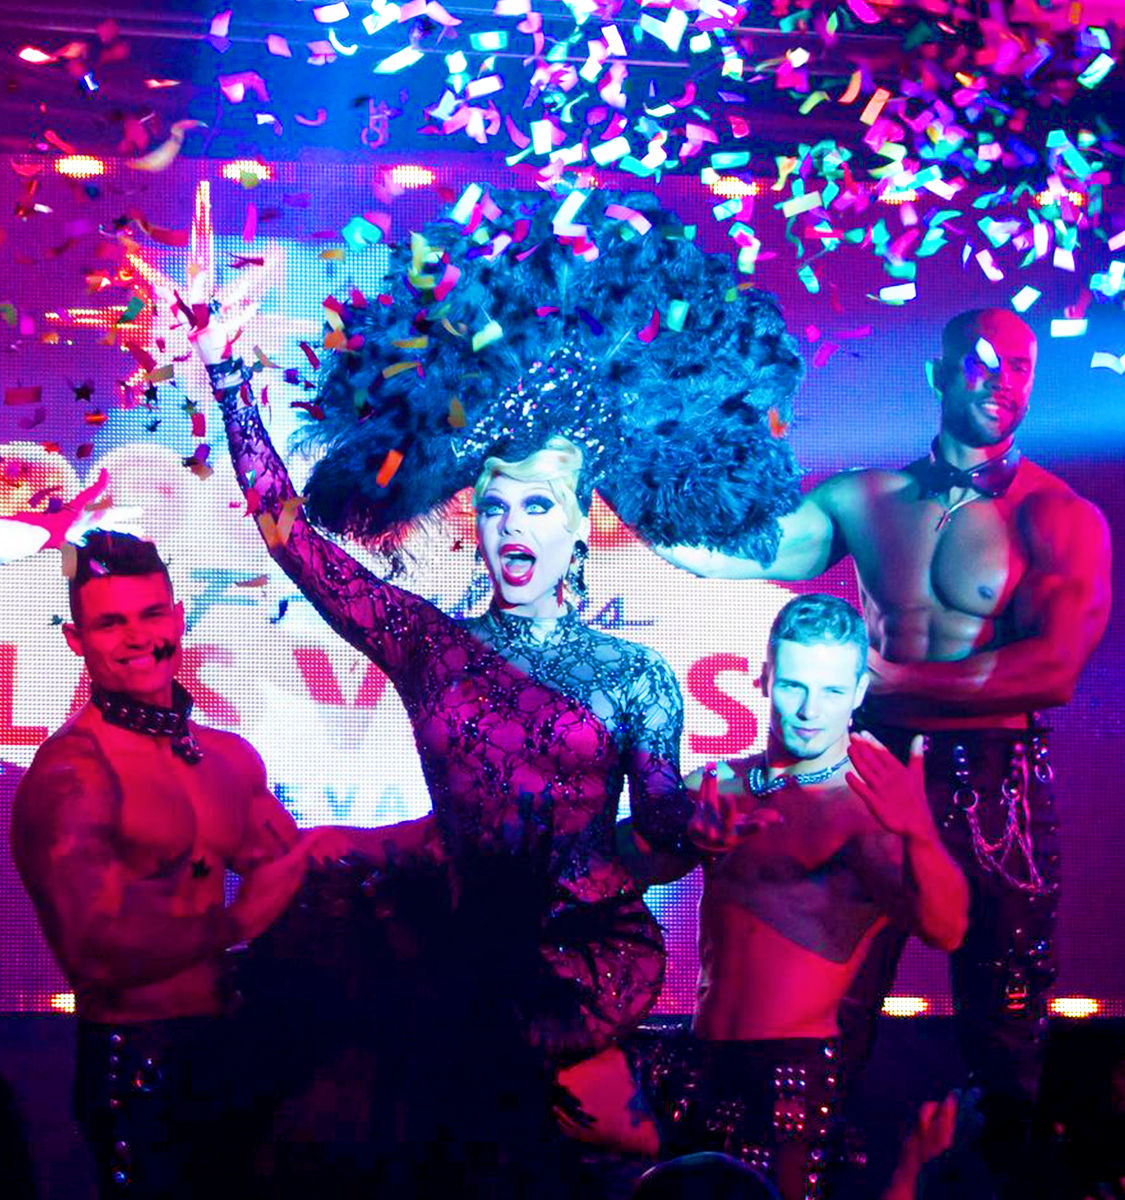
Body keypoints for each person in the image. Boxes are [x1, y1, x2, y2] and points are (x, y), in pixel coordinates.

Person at [188, 187, 808, 1196]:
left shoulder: (632, 678)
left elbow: (652, 835)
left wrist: (706, 824)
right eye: (500, 504)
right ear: (478, 520)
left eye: (542, 507)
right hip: (449, 970)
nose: (517, 527)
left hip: (576, 976)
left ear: (577, 525)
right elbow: (291, 541)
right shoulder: (427, 644)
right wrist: (226, 376)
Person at [653, 308, 1111, 1171]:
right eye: (975, 360)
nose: (997, 377)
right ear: (936, 376)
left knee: (1008, 1015)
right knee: (835, 1000)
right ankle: (793, 1178)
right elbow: (731, 555)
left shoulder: (1057, 517)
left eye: (1016, 363)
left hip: (993, 781)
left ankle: (1016, 1181)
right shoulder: (863, 498)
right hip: (862, 771)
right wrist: (628, 470)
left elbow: (1051, 672)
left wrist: (890, 682)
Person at [555, 594, 968, 1200]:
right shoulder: (720, 784)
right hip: (693, 1056)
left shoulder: (864, 805)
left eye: (830, 692)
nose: (808, 710)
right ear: (765, 676)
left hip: (787, 1075)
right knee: (535, 1083)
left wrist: (920, 834)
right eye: (794, 686)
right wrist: (681, 841)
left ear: (858, 693)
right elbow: (606, 864)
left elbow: (948, 929)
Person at [8, 530, 335, 1199]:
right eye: (110, 622)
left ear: (178, 618)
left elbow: (298, 865)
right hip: (138, 1067)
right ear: (77, 641)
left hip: (235, 1049)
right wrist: (237, 921)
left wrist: (433, 837)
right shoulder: (73, 773)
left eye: (151, 614)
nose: (136, 637)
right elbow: (94, 953)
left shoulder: (226, 756)